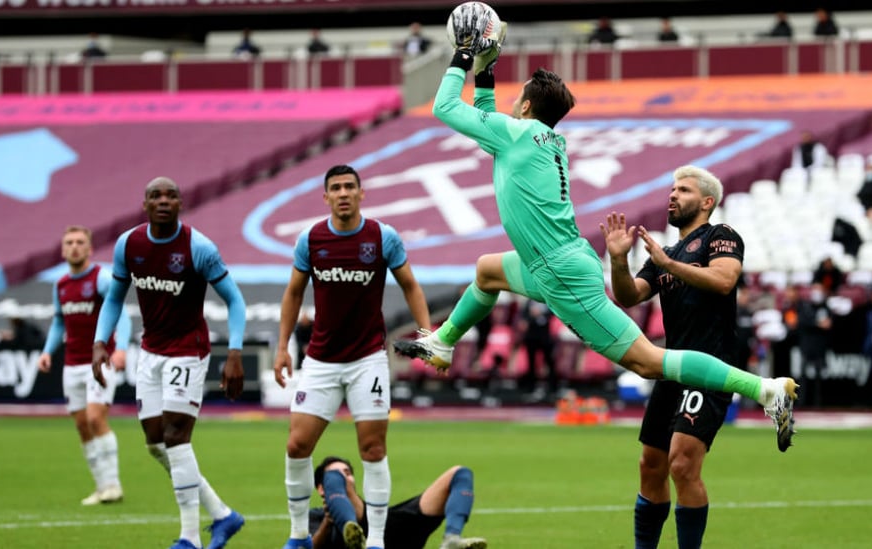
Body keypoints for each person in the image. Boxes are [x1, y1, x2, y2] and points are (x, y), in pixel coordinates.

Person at [392, 7, 796, 457]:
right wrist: (488, 69)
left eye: (516, 100)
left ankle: (764, 389)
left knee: (648, 361)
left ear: (525, 107)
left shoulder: (518, 136)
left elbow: (445, 106)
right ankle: (444, 343)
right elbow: (486, 116)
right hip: (555, 260)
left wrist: (465, 54)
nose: (508, 106)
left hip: (560, 270)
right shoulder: (536, 137)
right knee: (488, 271)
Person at [274, 164, 431, 549]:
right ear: (325, 197)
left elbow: (410, 285)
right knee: (297, 446)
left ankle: (375, 540)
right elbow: (294, 293)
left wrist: (429, 335)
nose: (343, 193)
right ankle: (298, 537)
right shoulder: (311, 239)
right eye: (335, 188)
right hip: (321, 361)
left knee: (373, 449)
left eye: (349, 187)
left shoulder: (382, 237)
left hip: (367, 360)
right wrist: (281, 347)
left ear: (362, 194)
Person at [92, 177, 247, 549]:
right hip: (151, 351)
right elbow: (114, 297)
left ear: (181, 203)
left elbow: (235, 301)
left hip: (188, 351)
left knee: (176, 438)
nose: (163, 201)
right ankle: (224, 516)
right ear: (144, 204)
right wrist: (100, 341)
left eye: (171, 196)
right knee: (155, 443)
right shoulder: (129, 244)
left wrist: (235, 354)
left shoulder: (198, 247)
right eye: (155, 196)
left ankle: (189, 538)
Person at [604, 165, 745, 549]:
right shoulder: (665, 253)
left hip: (710, 366)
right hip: (672, 368)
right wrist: (619, 260)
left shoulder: (722, 236)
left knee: (682, 464)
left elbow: (724, 280)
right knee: (651, 465)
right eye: (671, 189)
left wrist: (669, 266)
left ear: (706, 202)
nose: (672, 195)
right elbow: (630, 296)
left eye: (682, 190)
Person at [38, 225, 132, 506]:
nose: (75, 247)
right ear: (63, 249)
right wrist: (47, 351)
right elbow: (58, 321)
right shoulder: (61, 285)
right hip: (71, 364)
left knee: (95, 418)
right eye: (69, 242)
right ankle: (102, 486)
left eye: (80, 242)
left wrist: (122, 348)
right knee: (81, 425)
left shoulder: (101, 278)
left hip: (98, 362)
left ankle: (114, 485)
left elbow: (122, 314)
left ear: (90, 249)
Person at [309, 456, 487, 549]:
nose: (344, 477)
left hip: (384, 525)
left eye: (347, 472)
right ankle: (348, 527)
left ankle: (452, 539)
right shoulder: (315, 517)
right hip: (340, 526)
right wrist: (327, 522)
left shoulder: (388, 520)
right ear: (321, 488)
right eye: (335, 477)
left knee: (460, 473)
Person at [796, 283, 832, 407]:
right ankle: (801, 402)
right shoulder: (806, 306)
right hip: (807, 345)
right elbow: (802, 321)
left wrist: (820, 324)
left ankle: (818, 403)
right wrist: (817, 324)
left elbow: (829, 323)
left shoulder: (825, 307)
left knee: (819, 376)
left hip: (820, 346)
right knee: (803, 375)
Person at [516, 299, 559, 401]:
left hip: (545, 336)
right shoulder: (529, 301)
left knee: (550, 363)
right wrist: (528, 319)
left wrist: (541, 314)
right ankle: (531, 388)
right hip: (531, 336)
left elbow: (552, 313)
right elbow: (523, 316)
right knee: (531, 364)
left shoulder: (547, 299)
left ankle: (553, 389)